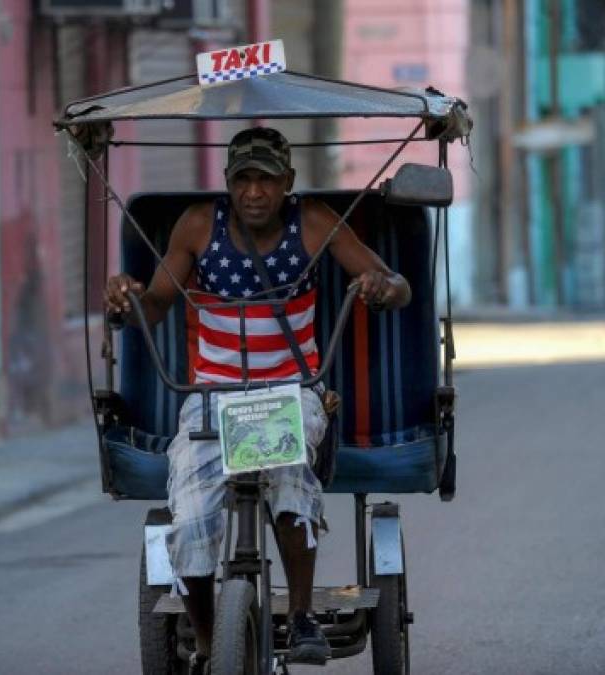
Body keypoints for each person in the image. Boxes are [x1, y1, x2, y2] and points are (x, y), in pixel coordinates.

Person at [105, 127, 410, 673]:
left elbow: (387, 279)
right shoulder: (198, 225)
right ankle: (205, 641)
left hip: (291, 392)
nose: (253, 191)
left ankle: (299, 616)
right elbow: (154, 304)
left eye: (266, 179)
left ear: (287, 183)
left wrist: (385, 287)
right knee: (192, 518)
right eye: (242, 178)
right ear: (227, 183)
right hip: (208, 398)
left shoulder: (313, 222)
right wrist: (128, 300)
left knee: (288, 472)